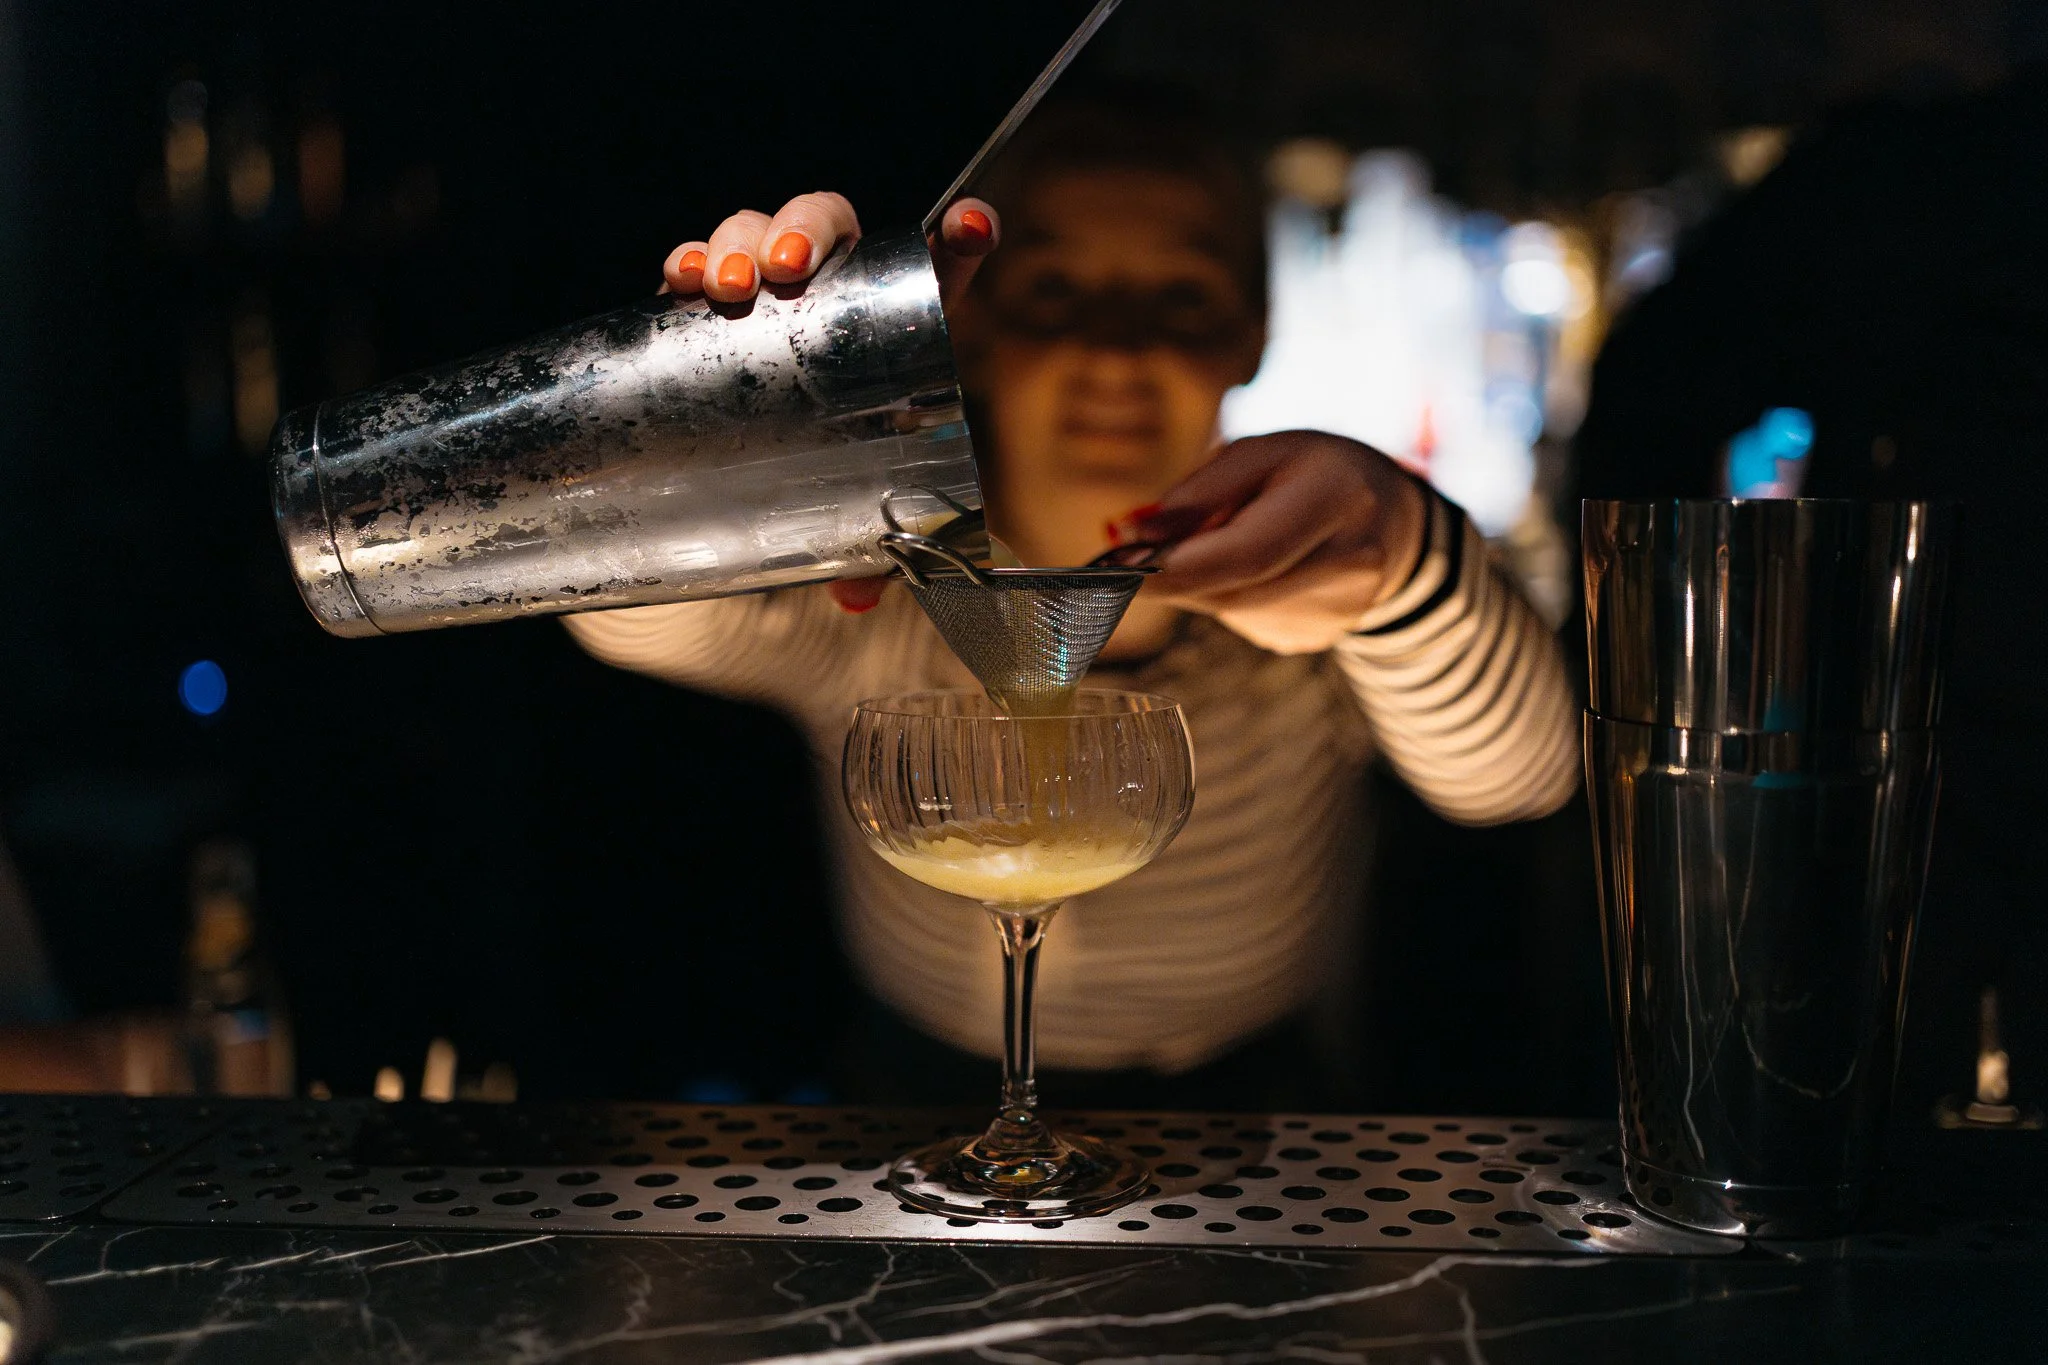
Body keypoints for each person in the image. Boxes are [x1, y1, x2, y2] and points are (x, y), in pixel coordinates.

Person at [567, 96, 1580, 1107]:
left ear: (1251, 334)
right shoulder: (878, 581)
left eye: (1179, 298)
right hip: (915, 1094)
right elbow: (628, 615)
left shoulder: (1321, 590)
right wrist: (688, 404)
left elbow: (1518, 780)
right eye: (1054, 291)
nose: (1114, 350)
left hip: (1244, 1107)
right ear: (978, 328)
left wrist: (1405, 555)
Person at [1574, 60, 2048, 1105]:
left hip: (1892, 734)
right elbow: (1650, 402)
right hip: (1899, 740)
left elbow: (1647, 400)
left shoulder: (1905, 169)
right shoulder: (1907, 173)